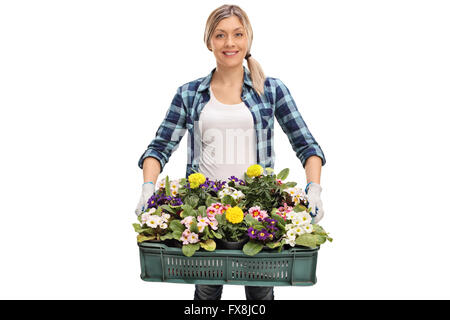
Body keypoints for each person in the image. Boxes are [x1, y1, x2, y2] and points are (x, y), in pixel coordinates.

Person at [135, 4, 326, 300]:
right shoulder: (189, 94)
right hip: (204, 214)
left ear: (248, 39)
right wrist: (148, 187)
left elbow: (307, 145)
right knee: (207, 292)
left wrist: (314, 189)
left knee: (261, 293)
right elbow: (159, 148)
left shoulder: (271, 90)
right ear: (209, 41)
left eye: (238, 34)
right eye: (220, 35)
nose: (230, 43)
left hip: (259, 213)